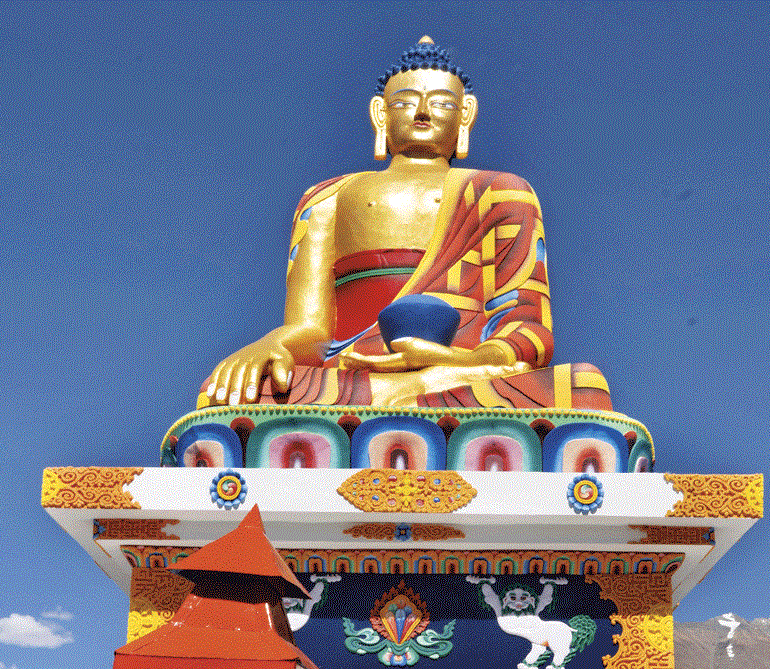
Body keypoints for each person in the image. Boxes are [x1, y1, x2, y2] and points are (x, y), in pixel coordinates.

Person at [200, 38, 611, 411]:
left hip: (464, 370)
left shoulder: (501, 191)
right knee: (226, 394)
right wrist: (273, 344)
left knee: (584, 387)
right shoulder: (327, 199)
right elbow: (311, 328)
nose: (422, 111)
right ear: (380, 113)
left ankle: (410, 394)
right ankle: (407, 397)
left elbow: (528, 329)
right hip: (353, 371)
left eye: (443, 103)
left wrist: (458, 361)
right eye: (406, 101)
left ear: (466, 115)